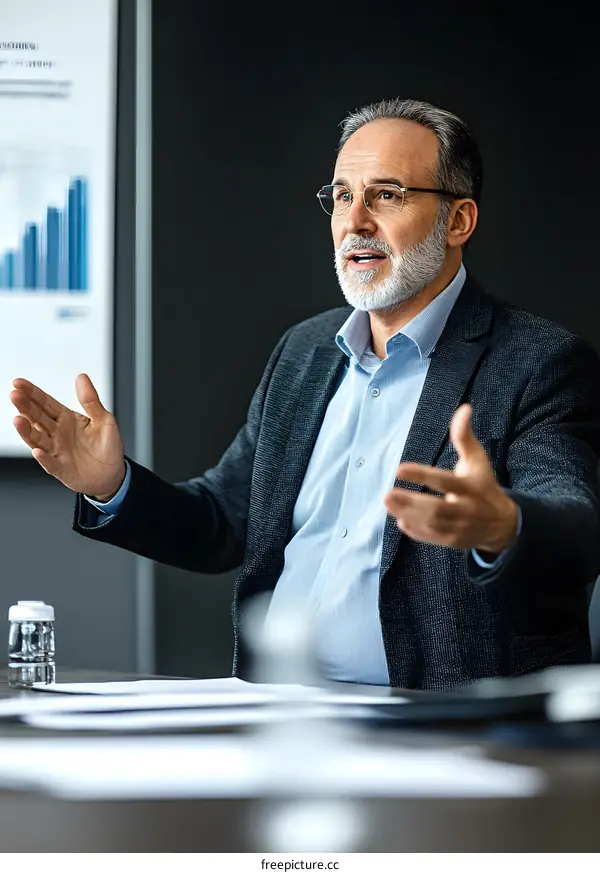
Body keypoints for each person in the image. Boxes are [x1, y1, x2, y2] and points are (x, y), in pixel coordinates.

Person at [10, 98, 600, 689]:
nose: (356, 221)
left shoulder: (538, 361)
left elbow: (578, 521)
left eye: (387, 194)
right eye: (342, 196)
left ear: (459, 221)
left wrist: (504, 525)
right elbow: (222, 523)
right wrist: (112, 485)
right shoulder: (305, 351)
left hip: (442, 725)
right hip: (278, 711)